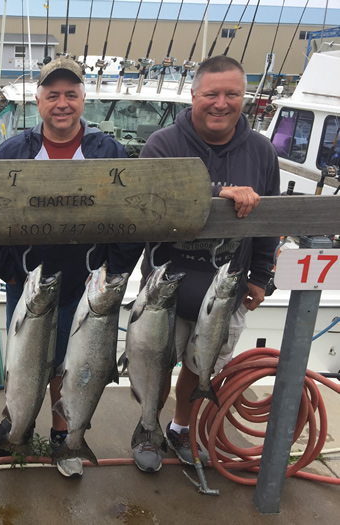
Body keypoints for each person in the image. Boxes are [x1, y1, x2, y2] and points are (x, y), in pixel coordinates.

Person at [0, 56, 144, 478]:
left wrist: (113, 272)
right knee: (26, 358)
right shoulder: (14, 151)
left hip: (86, 282)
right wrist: (6, 270)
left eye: (71, 94)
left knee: (72, 362)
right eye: (54, 95)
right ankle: (15, 421)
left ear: (83, 98)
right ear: (39, 100)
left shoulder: (110, 152)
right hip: (28, 280)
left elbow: (135, 215)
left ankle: (63, 430)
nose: (63, 103)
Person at [133, 55, 280, 473]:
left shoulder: (262, 151)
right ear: (193, 95)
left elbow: (272, 221)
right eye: (211, 94)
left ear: (244, 98)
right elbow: (147, 203)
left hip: (227, 291)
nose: (221, 103)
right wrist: (220, 192)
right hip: (166, 291)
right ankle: (147, 427)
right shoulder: (162, 144)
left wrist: (262, 276)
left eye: (232, 94)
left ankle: (180, 427)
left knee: (200, 369)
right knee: (157, 364)